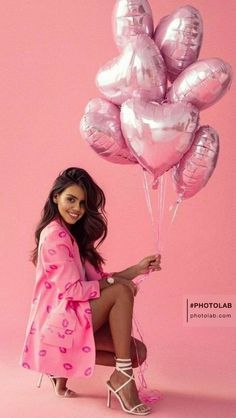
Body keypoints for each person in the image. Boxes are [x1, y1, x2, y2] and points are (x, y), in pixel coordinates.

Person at [20, 167, 161, 415]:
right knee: (119, 292)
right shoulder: (54, 235)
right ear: (56, 197)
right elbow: (74, 289)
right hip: (57, 324)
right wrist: (118, 286)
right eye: (70, 199)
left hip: (70, 322)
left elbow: (100, 280)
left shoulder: (72, 236)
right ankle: (123, 380)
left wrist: (136, 269)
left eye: (83, 203)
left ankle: (58, 369)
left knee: (138, 353)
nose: (77, 208)